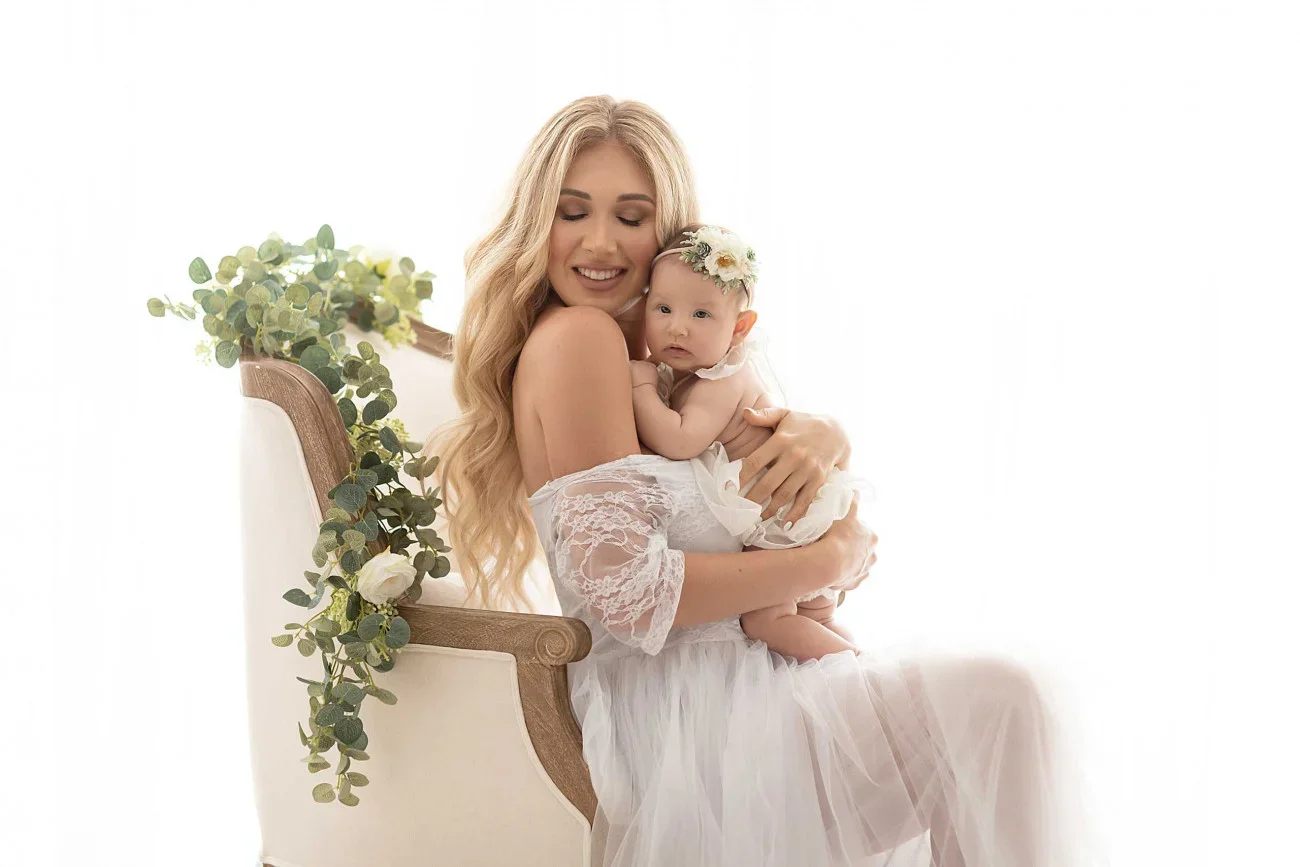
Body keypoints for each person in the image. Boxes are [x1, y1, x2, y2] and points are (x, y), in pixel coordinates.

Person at [433, 95, 1089, 867]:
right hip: (687, 719)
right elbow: (628, 596)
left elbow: (740, 494)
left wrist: (824, 441)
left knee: (996, 710)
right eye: (572, 212)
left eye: (631, 216)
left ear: (669, 232)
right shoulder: (578, 339)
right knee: (1001, 702)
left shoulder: (659, 355)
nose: (600, 241)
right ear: (536, 222)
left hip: (745, 685)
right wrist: (824, 561)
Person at [629, 222, 864, 662]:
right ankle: (848, 667)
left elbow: (680, 441)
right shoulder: (699, 374)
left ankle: (860, 674)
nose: (678, 328)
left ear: (740, 327)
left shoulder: (721, 380)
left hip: (784, 518)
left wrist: (640, 388)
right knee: (817, 617)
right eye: (663, 309)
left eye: (701, 315)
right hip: (794, 509)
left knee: (765, 621)